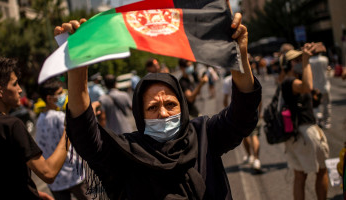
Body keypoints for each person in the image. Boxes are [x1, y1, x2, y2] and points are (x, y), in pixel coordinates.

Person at [55, 10, 261, 200]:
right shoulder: (127, 153)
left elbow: (243, 113)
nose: (163, 113)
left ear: (182, 107)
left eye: (170, 104)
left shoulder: (204, 135)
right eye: (152, 107)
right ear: (140, 114)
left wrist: (239, 53)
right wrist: (77, 65)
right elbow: (84, 131)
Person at [0, 57, 69, 200]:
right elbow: (48, 173)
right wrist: (69, 132)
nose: (20, 90)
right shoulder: (12, 125)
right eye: (14, 84)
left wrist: (35, 193)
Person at [280, 46, 330, 200]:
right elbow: (307, 87)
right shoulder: (290, 81)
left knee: (300, 176)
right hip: (306, 132)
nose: (300, 62)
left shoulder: (287, 81)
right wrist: (307, 62)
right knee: (321, 171)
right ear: (289, 65)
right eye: (297, 60)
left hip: (295, 135)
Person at [36, 79, 90, 200]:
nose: (63, 95)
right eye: (60, 93)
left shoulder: (40, 120)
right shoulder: (60, 117)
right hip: (73, 174)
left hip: (56, 181)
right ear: (49, 98)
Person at [223, 71, 262, 171]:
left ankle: (250, 156)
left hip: (237, 113)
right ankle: (256, 159)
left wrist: (227, 113)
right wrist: (259, 112)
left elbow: (225, 99)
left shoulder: (227, 81)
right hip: (253, 111)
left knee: (245, 135)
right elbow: (259, 97)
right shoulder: (250, 77)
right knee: (254, 135)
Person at [309, 43, 332, 129]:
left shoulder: (310, 61)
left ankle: (319, 117)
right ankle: (327, 122)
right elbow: (328, 70)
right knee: (327, 104)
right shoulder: (325, 59)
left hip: (315, 86)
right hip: (325, 85)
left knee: (316, 104)